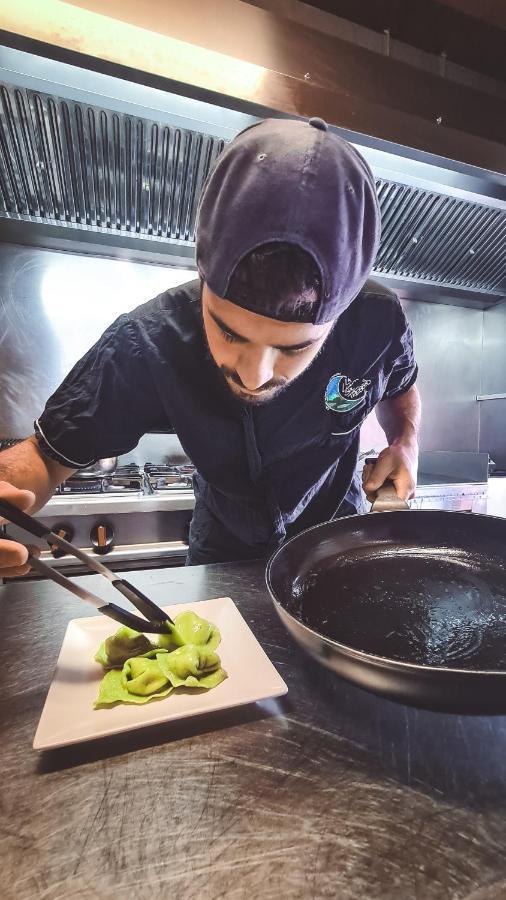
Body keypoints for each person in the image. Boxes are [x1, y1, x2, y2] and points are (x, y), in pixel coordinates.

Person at [0, 117, 420, 576]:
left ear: (339, 318)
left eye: (293, 348)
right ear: (203, 282)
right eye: (229, 332)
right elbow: (46, 455)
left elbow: (400, 386)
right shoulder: (150, 339)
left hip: (335, 534)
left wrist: (406, 441)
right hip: (224, 542)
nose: (254, 375)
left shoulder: (377, 320)